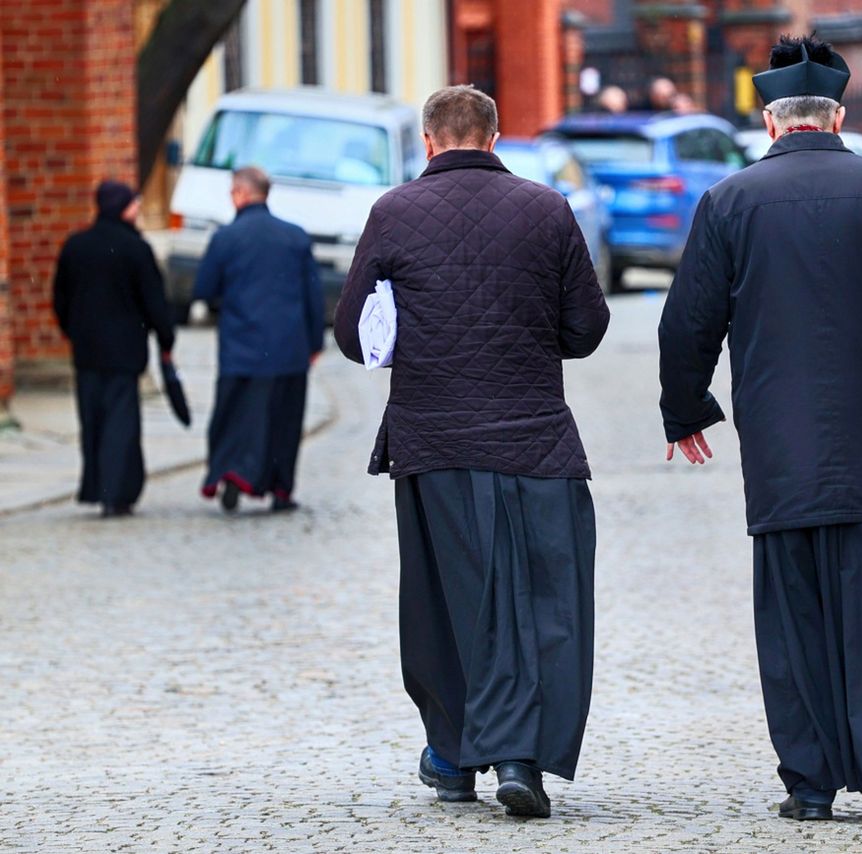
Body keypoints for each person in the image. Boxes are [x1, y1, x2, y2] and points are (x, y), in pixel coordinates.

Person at [658, 35, 862, 821]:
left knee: (793, 611)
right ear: (838, 113)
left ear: (770, 120)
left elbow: (688, 321)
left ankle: (808, 779)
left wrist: (686, 407)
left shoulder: (728, 201)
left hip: (781, 448)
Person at [334, 84, 609, 819]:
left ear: (428, 141)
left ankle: (454, 755)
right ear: (495, 136)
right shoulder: (547, 209)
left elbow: (350, 331)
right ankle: (521, 756)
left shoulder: (393, 212)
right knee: (544, 603)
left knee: (444, 606)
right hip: (536, 440)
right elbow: (586, 329)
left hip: (435, 440)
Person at [194, 166, 323, 513]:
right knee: (284, 420)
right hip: (288, 347)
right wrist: (314, 343)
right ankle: (280, 489)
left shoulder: (226, 238)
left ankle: (233, 471)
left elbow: (203, 289)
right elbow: (313, 295)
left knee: (234, 414)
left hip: (241, 345)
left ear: (239, 194)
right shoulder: (295, 236)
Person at [53, 180, 176, 518]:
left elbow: (59, 298)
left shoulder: (76, 246)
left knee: (92, 420)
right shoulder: (135, 248)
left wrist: (73, 331)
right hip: (124, 351)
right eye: (134, 205)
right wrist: (166, 340)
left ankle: (97, 485)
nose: (137, 210)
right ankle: (116, 490)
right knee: (120, 423)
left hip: (87, 351)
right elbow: (154, 303)